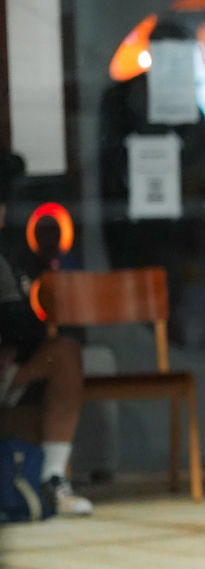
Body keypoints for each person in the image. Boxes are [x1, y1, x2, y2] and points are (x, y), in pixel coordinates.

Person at [0, 157, 91, 515]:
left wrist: (14, 351)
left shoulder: (14, 253)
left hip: (12, 367)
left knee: (64, 353)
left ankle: (51, 480)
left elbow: (22, 321)